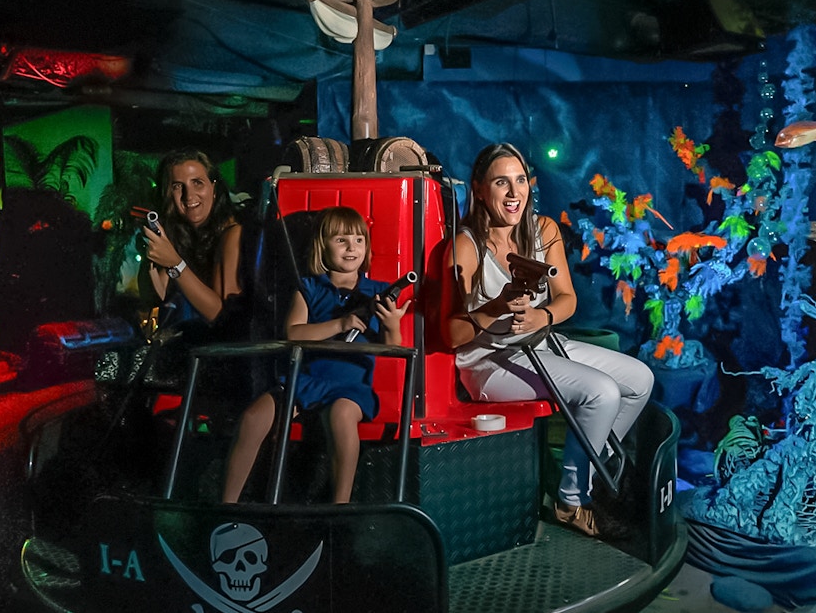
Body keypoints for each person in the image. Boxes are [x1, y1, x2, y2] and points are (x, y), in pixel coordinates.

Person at [443, 142, 654, 540]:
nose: (514, 192)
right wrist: (497, 307)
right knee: (601, 393)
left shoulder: (544, 230)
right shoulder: (466, 245)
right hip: (489, 361)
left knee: (640, 380)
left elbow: (567, 299)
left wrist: (543, 315)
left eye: (520, 180)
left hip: (541, 341)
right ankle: (571, 502)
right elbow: (453, 335)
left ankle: (589, 471)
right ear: (479, 189)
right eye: (501, 182)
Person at [222, 206, 409, 504]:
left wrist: (391, 324)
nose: (352, 247)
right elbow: (294, 333)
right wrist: (341, 324)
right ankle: (227, 505)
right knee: (253, 418)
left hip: (349, 387)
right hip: (303, 381)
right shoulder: (308, 288)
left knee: (342, 416)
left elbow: (392, 347)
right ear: (323, 246)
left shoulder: (377, 292)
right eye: (341, 240)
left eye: (359, 240)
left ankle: (340, 506)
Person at [141, 149, 243, 324]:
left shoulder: (232, 234)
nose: (189, 195)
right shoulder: (182, 235)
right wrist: (152, 258)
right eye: (178, 186)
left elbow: (222, 316)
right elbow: (156, 297)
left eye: (197, 183)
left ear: (214, 188)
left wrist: (175, 264)